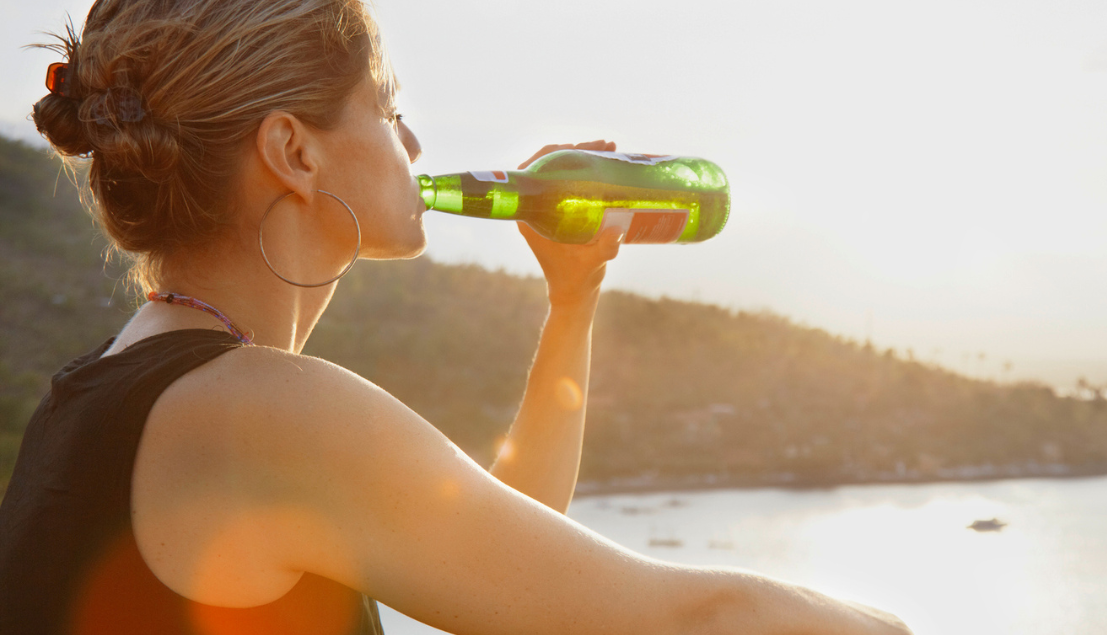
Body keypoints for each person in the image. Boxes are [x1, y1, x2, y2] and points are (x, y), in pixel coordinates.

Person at [0, 1, 913, 634]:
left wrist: (571, 302)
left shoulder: (108, 388)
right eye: (388, 109)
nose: (415, 145)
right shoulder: (256, 408)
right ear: (292, 151)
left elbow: (518, 570)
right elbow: (685, 618)